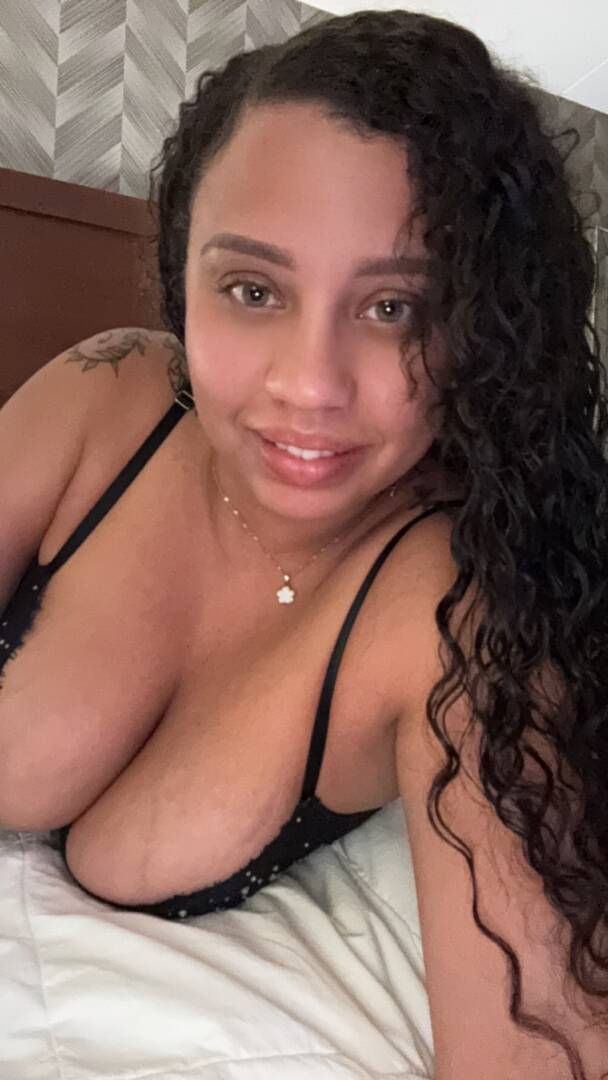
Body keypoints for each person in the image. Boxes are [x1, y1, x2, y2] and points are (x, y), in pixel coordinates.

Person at [1, 8, 607, 1078]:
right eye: (252, 290)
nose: (308, 386)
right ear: (182, 277)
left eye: (393, 307)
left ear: (483, 328)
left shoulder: (459, 615)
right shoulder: (107, 397)